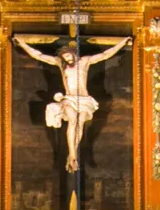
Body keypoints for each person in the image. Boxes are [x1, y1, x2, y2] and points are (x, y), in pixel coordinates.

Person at [12, 36, 131, 172]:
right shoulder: (60, 63)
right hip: (69, 98)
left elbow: (105, 55)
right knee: (73, 121)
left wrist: (122, 43)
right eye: (65, 58)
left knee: (80, 122)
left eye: (69, 56)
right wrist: (22, 43)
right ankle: (73, 154)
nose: (67, 60)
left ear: (74, 53)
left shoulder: (84, 61)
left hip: (84, 99)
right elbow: (39, 55)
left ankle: (72, 154)